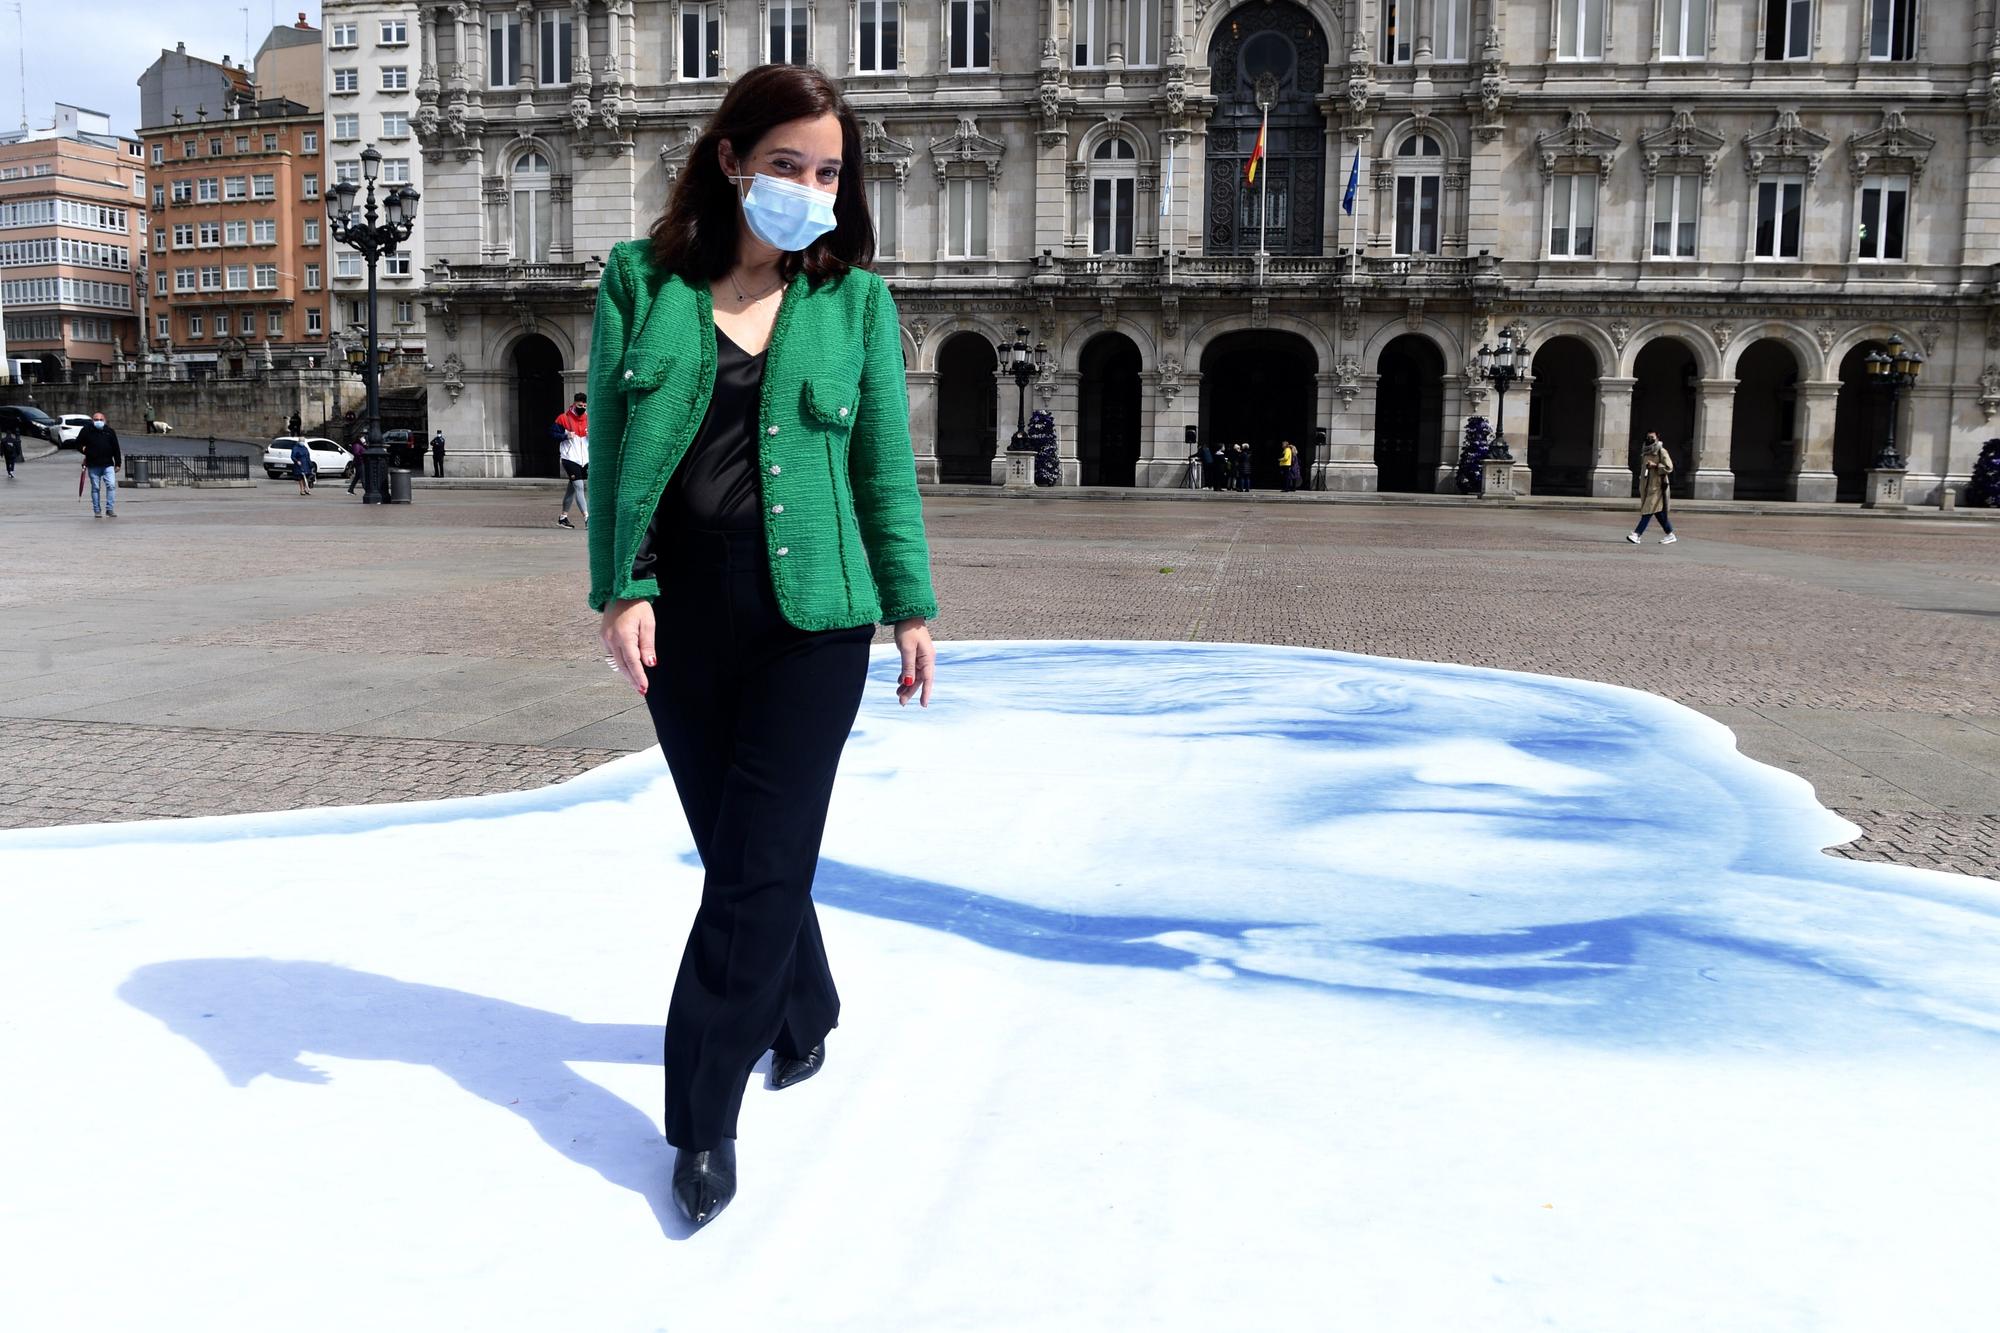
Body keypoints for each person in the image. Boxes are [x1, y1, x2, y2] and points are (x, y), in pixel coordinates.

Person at [591, 63, 939, 1229]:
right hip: (681, 614)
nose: (806, 186)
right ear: (731, 159)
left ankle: (700, 1119)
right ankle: (806, 1010)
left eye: (827, 170)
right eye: (786, 163)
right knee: (739, 848)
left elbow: (882, 468)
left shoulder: (856, 304)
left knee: (752, 866)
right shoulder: (640, 282)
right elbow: (609, 465)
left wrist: (911, 608)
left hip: (816, 619)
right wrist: (620, 588)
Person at [1628, 432, 1678, 545]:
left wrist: (1656, 466)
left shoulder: (1661, 451)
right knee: (1658, 512)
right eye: (1648, 437)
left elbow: (1669, 467)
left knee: (1648, 510)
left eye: (1652, 437)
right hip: (1647, 486)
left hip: (1658, 487)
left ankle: (1637, 534)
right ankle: (1670, 534)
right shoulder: (1645, 452)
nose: (1649, 439)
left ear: (1657, 438)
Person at [76, 410, 120, 518]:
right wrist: (85, 451)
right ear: (92, 420)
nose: (98, 421)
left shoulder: (109, 431)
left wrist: (118, 463)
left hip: (108, 464)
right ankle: (97, 510)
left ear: (104, 420)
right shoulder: (86, 430)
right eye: (96, 420)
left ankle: (109, 509)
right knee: (95, 488)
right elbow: (78, 443)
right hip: (93, 464)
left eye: (101, 420)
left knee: (111, 485)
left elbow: (116, 448)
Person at [555, 394, 589, 528]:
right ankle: (587, 517)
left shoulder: (589, 419)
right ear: (574, 404)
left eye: (585, 406)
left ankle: (563, 517)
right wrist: (565, 435)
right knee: (579, 487)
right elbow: (552, 433)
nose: (582, 408)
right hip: (569, 459)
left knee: (572, 489)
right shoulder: (563, 418)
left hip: (584, 459)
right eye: (580, 405)